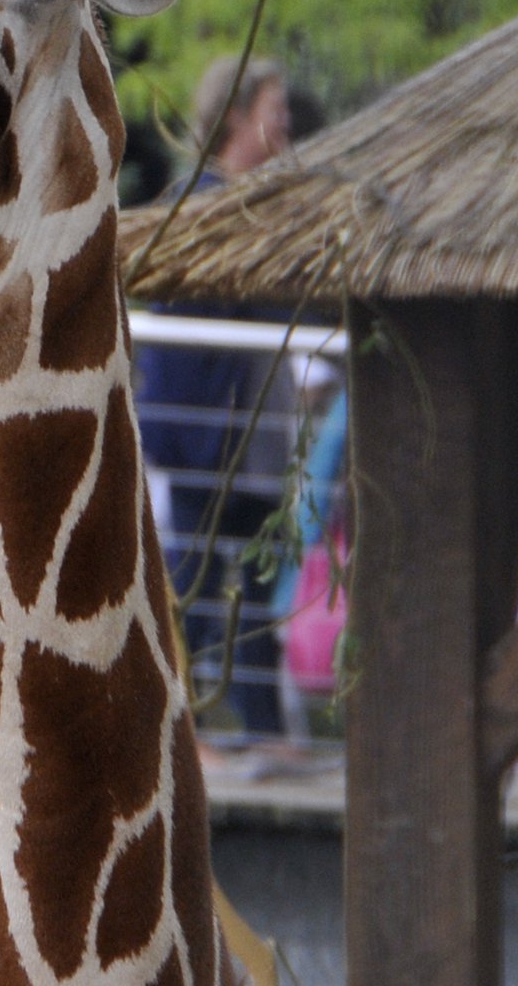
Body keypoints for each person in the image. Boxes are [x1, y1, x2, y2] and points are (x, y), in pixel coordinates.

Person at [135, 55, 303, 768]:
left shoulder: (245, 207)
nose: (288, 128)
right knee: (199, 581)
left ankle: (263, 730)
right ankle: (180, 734)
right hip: (210, 441)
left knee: (253, 579)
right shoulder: (204, 208)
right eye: (276, 111)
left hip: (248, 440)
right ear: (237, 116)